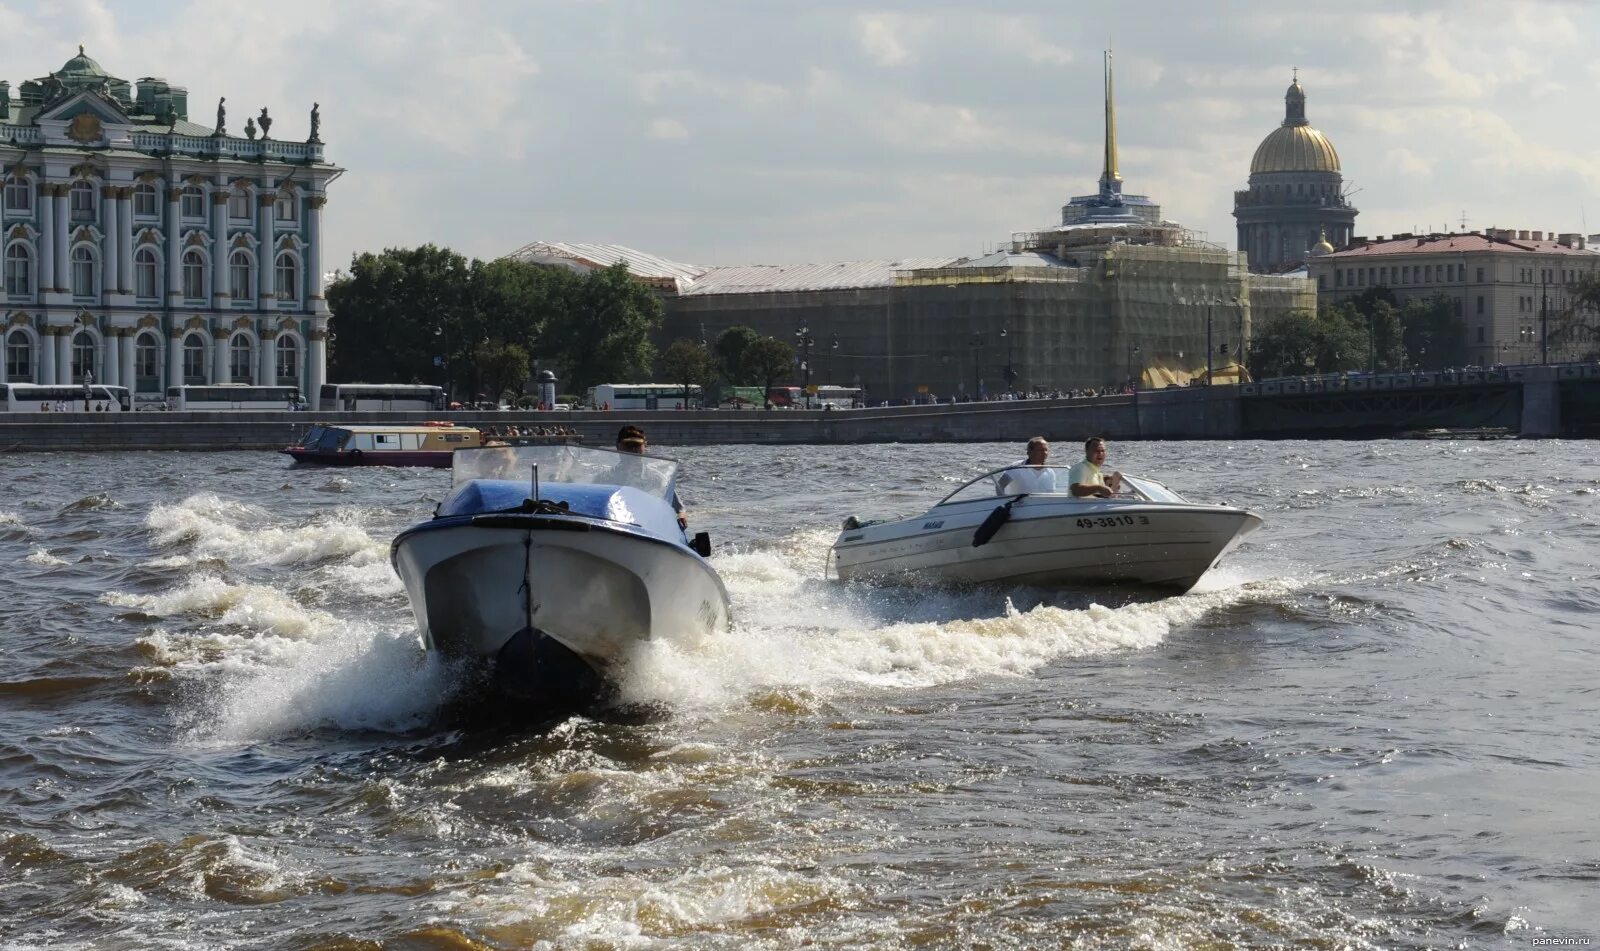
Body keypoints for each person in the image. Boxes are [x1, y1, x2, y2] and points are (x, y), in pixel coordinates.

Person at [616, 425, 687, 531]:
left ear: (645, 446)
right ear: (618, 447)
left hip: (647, 528)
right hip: (615, 525)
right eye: (628, 446)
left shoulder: (656, 478)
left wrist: (681, 515)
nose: (633, 450)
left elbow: (680, 509)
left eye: (637, 446)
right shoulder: (604, 477)